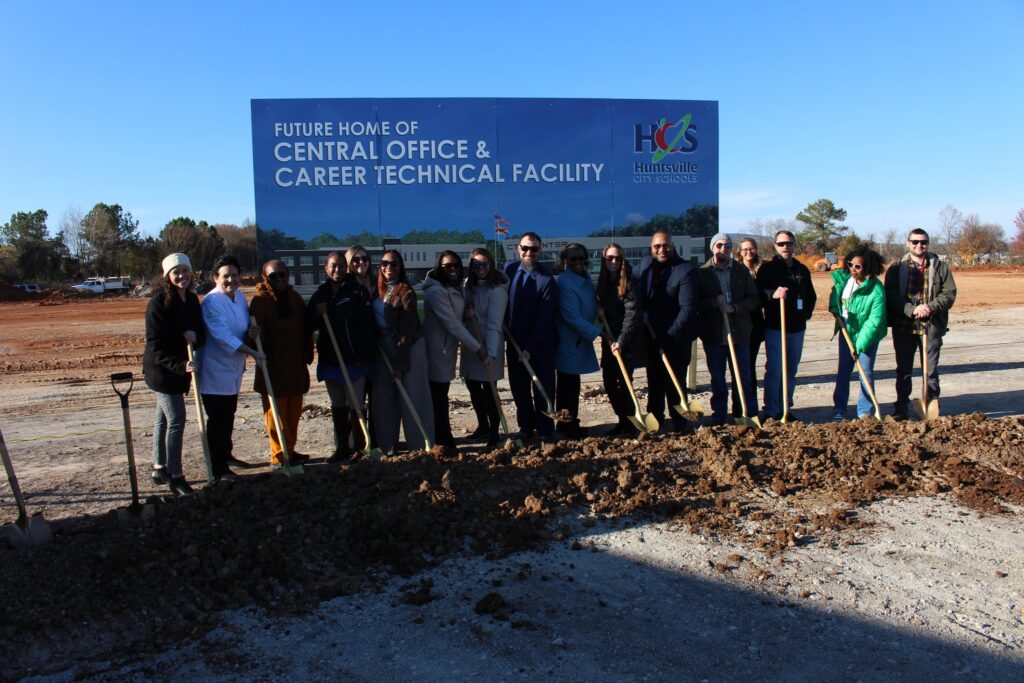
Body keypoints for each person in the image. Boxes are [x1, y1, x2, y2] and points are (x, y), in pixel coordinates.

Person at [197, 254, 264, 481]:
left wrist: (250, 336)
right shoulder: (211, 302)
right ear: (216, 278)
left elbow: (241, 330)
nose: (230, 280)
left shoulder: (239, 298)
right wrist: (252, 352)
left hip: (234, 369)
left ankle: (226, 454)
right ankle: (218, 467)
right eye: (225, 276)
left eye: (234, 276)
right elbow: (223, 336)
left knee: (230, 414)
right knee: (218, 419)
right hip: (215, 371)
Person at [143, 252, 204, 496]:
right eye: (176, 272)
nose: (182, 276)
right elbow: (155, 345)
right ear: (167, 276)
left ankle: (159, 466)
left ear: (192, 273)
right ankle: (176, 477)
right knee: (177, 418)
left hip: (179, 370)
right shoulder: (158, 304)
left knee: (163, 418)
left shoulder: (191, 300)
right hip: (162, 372)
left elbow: (199, 330)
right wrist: (181, 365)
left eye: (185, 271)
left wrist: (195, 337)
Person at [306, 251, 375, 462]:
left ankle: (360, 447)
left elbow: (367, 327)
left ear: (347, 268)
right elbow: (308, 324)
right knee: (337, 403)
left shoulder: (357, 291)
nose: (338, 270)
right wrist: (316, 313)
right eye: (333, 266)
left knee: (356, 403)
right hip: (331, 359)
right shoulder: (320, 294)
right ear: (326, 269)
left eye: (342, 266)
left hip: (354, 360)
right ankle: (341, 447)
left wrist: (362, 356)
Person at [883, 228, 957, 420]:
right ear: (908, 243)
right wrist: (911, 309)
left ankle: (931, 405)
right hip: (904, 327)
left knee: (931, 371)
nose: (919, 245)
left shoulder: (940, 266)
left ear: (928, 243)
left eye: (923, 242)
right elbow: (889, 296)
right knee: (904, 371)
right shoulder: (896, 267)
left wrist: (929, 308)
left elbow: (949, 294)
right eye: (915, 242)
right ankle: (901, 408)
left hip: (931, 327)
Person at [250, 259, 313, 467]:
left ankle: (291, 450)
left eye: (283, 274)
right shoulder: (260, 301)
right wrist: (253, 336)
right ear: (265, 278)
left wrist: (307, 352)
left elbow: (304, 329)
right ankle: (279, 456)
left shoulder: (294, 298)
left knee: (293, 414)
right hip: (273, 368)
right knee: (276, 415)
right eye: (273, 276)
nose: (279, 279)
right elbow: (256, 337)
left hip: (295, 366)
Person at [371, 250, 434, 454]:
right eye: (385, 263)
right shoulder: (375, 290)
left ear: (401, 267)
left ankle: (420, 445)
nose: (389, 267)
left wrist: (400, 364)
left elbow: (407, 331)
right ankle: (387, 446)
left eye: (394, 264)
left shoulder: (406, 292)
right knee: (383, 396)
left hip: (409, 347)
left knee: (414, 396)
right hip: (384, 347)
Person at [637, 231, 699, 433]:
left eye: (666, 245)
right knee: (654, 382)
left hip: (676, 338)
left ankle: (680, 423)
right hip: (651, 334)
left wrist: (669, 336)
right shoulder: (645, 264)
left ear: (673, 246)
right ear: (651, 247)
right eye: (657, 246)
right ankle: (655, 421)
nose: (662, 250)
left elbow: (687, 309)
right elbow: (632, 284)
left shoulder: (685, 270)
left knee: (676, 381)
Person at [697, 233, 759, 425]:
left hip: (739, 334)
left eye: (728, 246)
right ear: (713, 248)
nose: (724, 249)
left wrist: (734, 307)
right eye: (720, 245)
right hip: (714, 336)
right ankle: (719, 417)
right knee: (718, 379)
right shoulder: (703, 273)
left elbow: (753, 299)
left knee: (743, 378)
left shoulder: (741, 272)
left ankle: (744, 414)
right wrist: (713, 302)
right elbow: (696, 302)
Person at [423, 251, 483, 449]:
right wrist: (477, 348)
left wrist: (467, 313)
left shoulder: (456, 287)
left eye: (456, 265)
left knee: (441, 394)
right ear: (439, 268)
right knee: (438, 396)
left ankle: (442, 437)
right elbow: (452, 324)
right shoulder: (436, 291)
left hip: (446, 349)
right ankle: (442, 440)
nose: (453, 269)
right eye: (448, 266)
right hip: (437, 350)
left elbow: (458, 317)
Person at [504, 232, 559, 441]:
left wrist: (529, 348)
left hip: (540, 346)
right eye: (525, 248)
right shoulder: (508, 269)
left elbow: (544, 319)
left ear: (540, 251)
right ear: (518, 248)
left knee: (542, 388)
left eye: (534, 249)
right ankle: (525, 428)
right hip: (514, 341)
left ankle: (545, 430)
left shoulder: (546, 281)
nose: (529, 252)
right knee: (519, 389)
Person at [756, 230, 817, 421]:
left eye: (789, 243)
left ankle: (785, 408)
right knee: (775, 369)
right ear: (775, 246)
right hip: (776, 327)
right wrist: (772, 294)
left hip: (797, 329)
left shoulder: (802, 269)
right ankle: (771, 410)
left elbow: (811, 296)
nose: (785, 247)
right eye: (781, 244)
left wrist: (804, 315)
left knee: (791, 370)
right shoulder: (768, 269)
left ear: (793, 245)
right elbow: (759, 294)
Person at [829, 245, 888, 420]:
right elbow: (836, 297)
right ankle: (839, 409)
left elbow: (874, 321)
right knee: (843, 371)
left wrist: (859, 345)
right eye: (850, 265)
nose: (853, 270)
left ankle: (865, 411)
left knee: (865, 371)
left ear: (868, 268)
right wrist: (834, 307)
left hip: (868, 336)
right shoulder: (845, 280)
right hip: (846, 332)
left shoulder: (876, 289)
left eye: (858, 266)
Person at [461, 247, 508, 448]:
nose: (481, 268)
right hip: (471, 343)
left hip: (490, 344)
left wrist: (489, 353)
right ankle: (483, 426)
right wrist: (466, 315)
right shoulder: (468, 285)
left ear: (491, 265)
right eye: (476, 264)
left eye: (485, 264)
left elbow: (494, 325)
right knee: (472, 385)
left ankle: (494, 432)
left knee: (490, 390)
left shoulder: (496, 290)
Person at [596, 243, 644, 436]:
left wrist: (621, 341)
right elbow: (600, 317)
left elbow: (632, 315)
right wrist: (601, 321)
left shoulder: (630, 283)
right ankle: (622, 419)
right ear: (604, 260)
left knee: (625, 383)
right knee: (608, 382)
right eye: (610, 258)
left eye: (617, 258)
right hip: (610, 341)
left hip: (626, 343)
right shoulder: (603, 284)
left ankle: (631, 422)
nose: (614, 261)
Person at [554, 243, 601, 439]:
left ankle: (569, 423)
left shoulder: (585, 278)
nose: (579, 262)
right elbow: (571, 316)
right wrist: (599, 332)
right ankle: (566, 425)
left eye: (582, 258)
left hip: (579, 341)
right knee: (567, 386)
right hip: (569, 341)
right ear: (565, 261)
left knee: (572, 384)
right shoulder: (565, 282)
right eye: (573, 258)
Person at [734, 238, 764, 416]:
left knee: (750, 366)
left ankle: (751, 406)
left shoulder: (763, 269)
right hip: (740, 322)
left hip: (756, 323)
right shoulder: (736, 270)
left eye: (751, 248)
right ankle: (741, 407)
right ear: (740, 251)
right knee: (743, 367)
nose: (748, 252)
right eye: (745, 249)